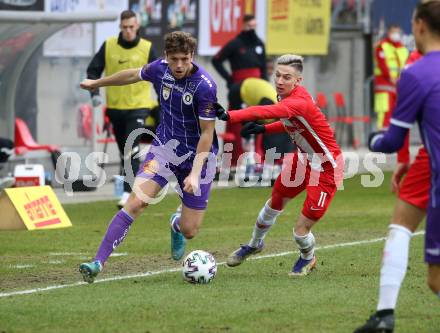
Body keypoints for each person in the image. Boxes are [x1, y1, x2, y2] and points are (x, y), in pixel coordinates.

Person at [78, 31, 219, 283]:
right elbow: (132, 74)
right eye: (174, 58)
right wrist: (96, 83)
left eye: (184, 59)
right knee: (136, 202)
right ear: (166, 56)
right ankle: (97, 262)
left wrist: (195, 174)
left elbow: (208, 133)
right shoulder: (159, 69)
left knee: (190, 230)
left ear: (192, 57)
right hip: (164, 149)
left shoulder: (205, 86)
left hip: (198, 156)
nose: (178, 65)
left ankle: (176, 223)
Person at [216, 54, 343, 276]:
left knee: (300, 233)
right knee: (274, 202)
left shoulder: (298, 102)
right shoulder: (289, 98)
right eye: (277, 76)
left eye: (287, 77)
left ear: (298, 81)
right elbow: (291, 124)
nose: (280, 81)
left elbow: (265, 112)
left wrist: (230, 115)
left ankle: (307, 257)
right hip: (303, 160)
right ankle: (255, 244)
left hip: (327, 168)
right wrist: (264, 129)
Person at [356, 2, 440, 331]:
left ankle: (385, 315)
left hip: (434, 172)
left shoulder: (416, 72)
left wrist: (374, 142)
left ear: (418, 25)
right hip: (426, 164)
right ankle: (383, 316)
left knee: (434, 278)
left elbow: (391, 140)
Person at [86, 10, 157, 208]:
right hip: (116, 109)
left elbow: (160, 75)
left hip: (139, 107)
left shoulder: (147, 47)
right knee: (124, 151)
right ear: (120, 27)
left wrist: (163, 102)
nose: (128, 31)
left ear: (137, 27)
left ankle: (127, 193)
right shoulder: (109, 46)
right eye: (124, 27)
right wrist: (94, 94)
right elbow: (93, 70)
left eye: (131, 27)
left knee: (131, 149)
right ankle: (134, 184)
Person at [212, 14, 267, 168]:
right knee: (236, 121)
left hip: (257, 88)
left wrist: (265, 86)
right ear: (243, 25)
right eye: (249, 26)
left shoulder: (259, 44)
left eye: (254, 27)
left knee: (258, 119)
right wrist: (229, 79)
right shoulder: (235, 44)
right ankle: (233, 158)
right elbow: (216, 60)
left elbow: (263, 69)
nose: (252, 30)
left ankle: (257, 157)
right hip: (239, 88)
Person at [227, 77, 294, 177]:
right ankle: (247, 164)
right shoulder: (270, 105)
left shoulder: (274, 107)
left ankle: (251, 161)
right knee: (246, 128)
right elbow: (254, 116)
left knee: (254, 130)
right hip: (237, 91)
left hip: (247, 87)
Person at [374, 24, 409, 129]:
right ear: (388, 33)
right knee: (384, 112)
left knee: (397, 113)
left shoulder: (403, 49)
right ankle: (381, 137)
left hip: (400, 86)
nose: (396, 35)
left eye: (398, 32)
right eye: (394, 32)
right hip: (384, 85)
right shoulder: (381, 46)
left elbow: (408, 65)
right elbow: (382, 64)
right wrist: (391, 78)